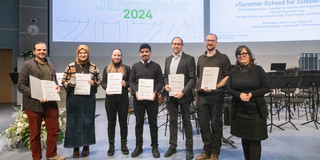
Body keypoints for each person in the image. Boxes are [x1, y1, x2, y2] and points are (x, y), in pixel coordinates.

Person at [18, 42, 65, 160]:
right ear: (34, 52)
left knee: (54, 130)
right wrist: (35, 94)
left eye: (44, 50)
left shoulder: (50, 64)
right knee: (35, 134)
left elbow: (54, 81)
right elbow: (21, 86)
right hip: (34, 105)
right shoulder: (27, 65)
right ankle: (37, 157)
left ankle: (51, 154)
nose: (42, 52)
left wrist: (57, 86)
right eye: (39, 50)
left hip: (50, 103)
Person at [228, 45, 269, 160]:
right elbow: (229, 88)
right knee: (244, 139)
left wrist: (251, 94)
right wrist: (239, 94)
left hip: (255, 110)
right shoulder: (234, 71)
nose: (241, 56)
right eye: (239, 54)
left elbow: (266, 87)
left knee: (255, 140)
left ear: (249, 55)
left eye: (244, 53)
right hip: (240, 111)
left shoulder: (258, 70)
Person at [61, 44, 101, 158]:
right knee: (74, 123)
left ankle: (86, 147)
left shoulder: (93, 67)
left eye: (85, 53)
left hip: (88, 99)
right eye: (81, 53)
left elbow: (99, 81)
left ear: (88, 54)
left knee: (87, 122)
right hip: (73, 99)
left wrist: (94, 83)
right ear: (77, 54)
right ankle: (75, 147)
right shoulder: (70, 66)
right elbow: (63, 80)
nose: (83, 55)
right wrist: (69, 84)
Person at [195, 34, 231, 160]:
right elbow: (198, 77)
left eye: (212, 40)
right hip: (202, 96)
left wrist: (216, 86)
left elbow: (227, 76)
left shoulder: (223, 58)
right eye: (208, 40)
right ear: (205, 42)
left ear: (217, 43)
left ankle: (215, 152)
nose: (210, 42)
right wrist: (197, 93)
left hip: (216, 96)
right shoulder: (200, 58)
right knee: (203, 125)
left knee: (215, 124)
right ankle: (206, 150)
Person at [163, 37, 196, 159]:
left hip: (184, 96)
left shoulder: (189, 59)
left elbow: (193, 78)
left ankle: (189, 148)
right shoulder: (167, 59)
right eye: (174, 44)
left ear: (182, 45)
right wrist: (166, 84)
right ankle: (173, 147)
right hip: (171, 96)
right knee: (172, 121)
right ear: (171, 45)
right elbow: (165, 76)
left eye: (178, 44)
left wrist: (183, 92)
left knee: (187, 122)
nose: (176, 46)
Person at [129, 43, 164, 158]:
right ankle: (139, 147)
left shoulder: (156, 66)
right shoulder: (135, 66)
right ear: (139, 53)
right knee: (139, 124)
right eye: (142, 52)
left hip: (152, 100)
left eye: (146, 52)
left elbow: (160, 81)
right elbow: (131, 82)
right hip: (138, 100)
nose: (144, 54)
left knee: (153, 124)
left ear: (150, 53)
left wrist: (155, 92)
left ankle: (155, 147)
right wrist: (136, 92)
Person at [101, 48, 130, 156]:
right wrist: (106, 88)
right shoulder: (106, 69)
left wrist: (125, 84)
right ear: (111, 56)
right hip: (110, 100)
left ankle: (123, 145)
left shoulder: (127, 68)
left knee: (123, 123)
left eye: (118, 55)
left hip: (123, 100)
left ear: (121, 56)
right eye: (114, 55)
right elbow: (103, 83)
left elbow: (130, 83)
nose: (116, 57)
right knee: (111, 123)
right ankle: (111, 145)